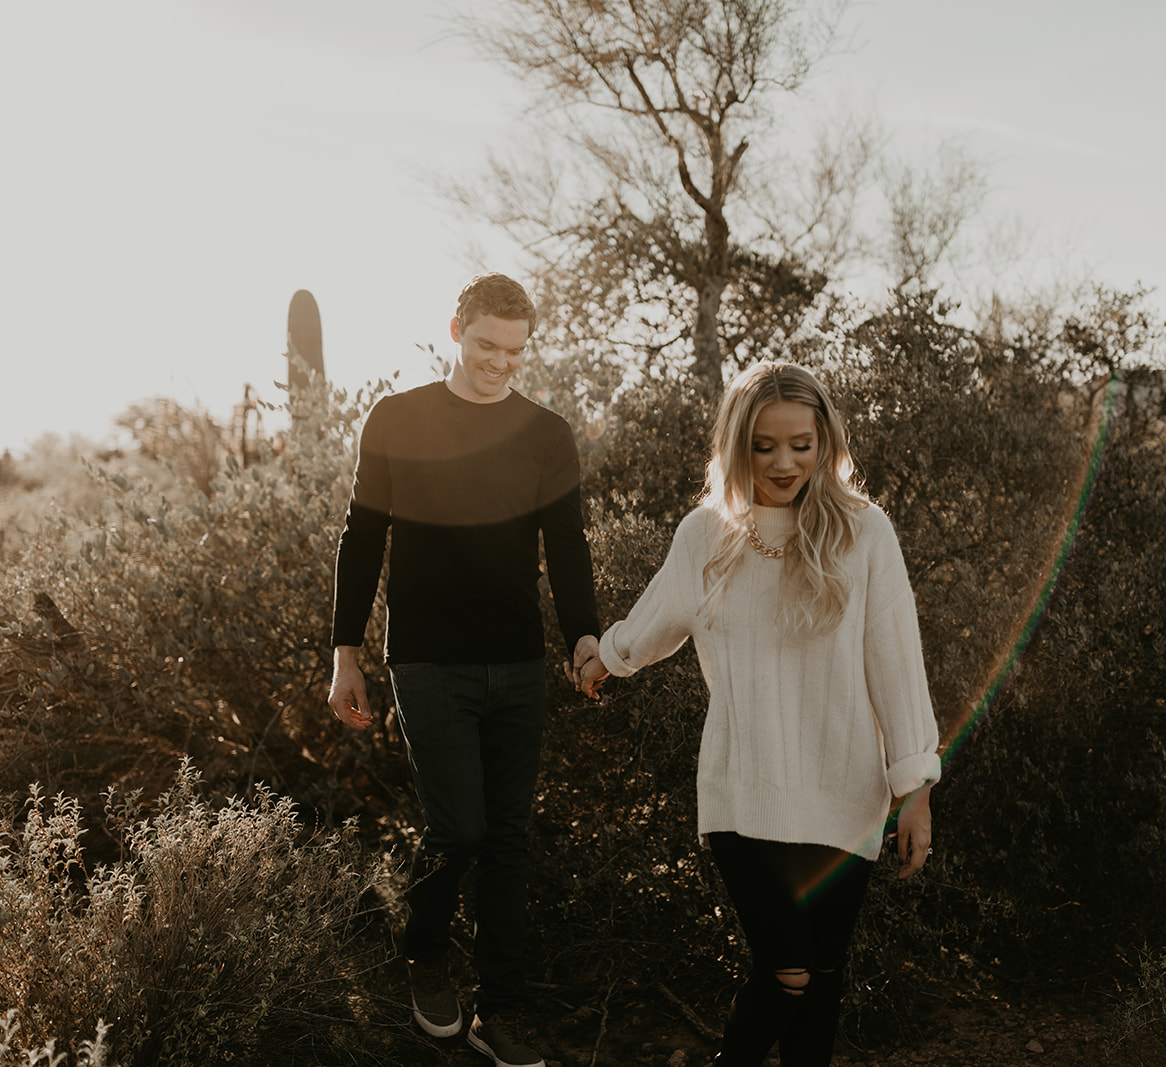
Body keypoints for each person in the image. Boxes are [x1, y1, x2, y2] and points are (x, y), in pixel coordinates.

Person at [576, 361, 940, 1066]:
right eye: (764, 445)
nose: (783, 462)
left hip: (846, 792)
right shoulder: (706, 534)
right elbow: (656, 619)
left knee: (824, 975)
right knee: (788, 970)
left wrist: (915, 785)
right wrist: (607, 656)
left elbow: (896, 661)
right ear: (737, 445)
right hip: (745, 792)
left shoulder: (865, 534)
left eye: (801, 444)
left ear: (825, 441)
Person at [329, 273, 600, 1067]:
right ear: (456, 330)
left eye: (514, 352)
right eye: (486, 345)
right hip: (426, 659)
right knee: (459, 829)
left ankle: (500, 1010)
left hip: (518, 661)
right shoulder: (398, 417)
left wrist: (583, 637)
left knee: (509, 839)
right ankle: (424, 955)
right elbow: (361, 533)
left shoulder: (546, 433)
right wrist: (345, 649)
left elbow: (570, 545)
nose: (499, 363)